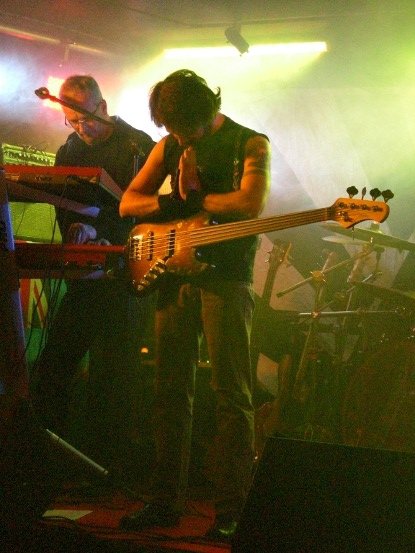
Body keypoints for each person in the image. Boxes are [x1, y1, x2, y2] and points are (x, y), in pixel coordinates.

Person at [118, 69, 270, 540]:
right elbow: (128, 203)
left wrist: (200, 198)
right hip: (174, 276)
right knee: (169, 391)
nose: (180, 137)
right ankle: (165, 502)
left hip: (227, 279)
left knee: (232, 395)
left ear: (208, 110)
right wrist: (173, 206)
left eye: (187, 128)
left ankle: (231, 511)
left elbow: (251, 204)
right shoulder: (168, 146)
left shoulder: (250, 143)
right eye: (173, 129)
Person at [31, 75, 155, 476]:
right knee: (55, 364)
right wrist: (75, 230)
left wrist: (108, 236)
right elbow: (63, 204)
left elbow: (149, 212)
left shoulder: (138, 146)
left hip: (125, 278)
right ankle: (44, 464)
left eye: (85, 119)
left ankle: (107, 469)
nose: (80, 128)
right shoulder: (69, 150)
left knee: (113, 373)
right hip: (85, 278)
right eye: (72, 121)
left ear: (102, 107)